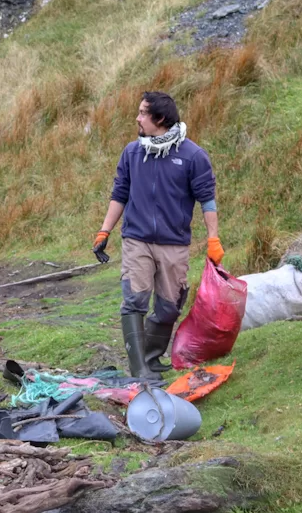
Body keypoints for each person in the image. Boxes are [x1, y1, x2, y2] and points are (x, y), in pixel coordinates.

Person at [92, 92, 222, 381]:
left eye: (142, 113)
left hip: (174, 243)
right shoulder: (132, 153)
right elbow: (119, 195)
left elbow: (207, 200)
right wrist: (105, 230)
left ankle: (152, 358)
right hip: (136, 239)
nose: (137, 118)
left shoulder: (193, 156)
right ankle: (139, 369)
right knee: (135, 300)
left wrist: (213, 239)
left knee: (169, 306)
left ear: (160, 119)